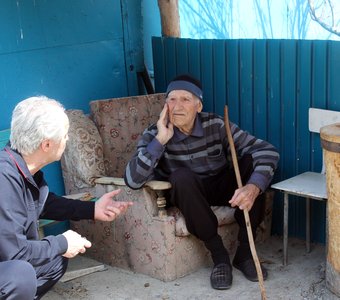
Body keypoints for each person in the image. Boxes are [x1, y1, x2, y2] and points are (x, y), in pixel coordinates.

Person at [124, 74, 279, 290]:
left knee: (255, 168)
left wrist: (253, 187)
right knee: (181, 176)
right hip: (188, 193)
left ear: (198, 106)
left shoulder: (215, 124)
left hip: (219, 184)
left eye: (185, 99)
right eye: (171, 99)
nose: (177, 106)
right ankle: (220, 257)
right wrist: (160, 140)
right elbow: (132, 181)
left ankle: (244, 255)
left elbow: (267, 151)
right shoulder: (155, 133)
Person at [0, 96, 133, 299]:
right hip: (9, 262)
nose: (67, 139)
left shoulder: (23, 165)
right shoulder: (4, 179)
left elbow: (44, 203)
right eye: (64, 135)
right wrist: (61, 242)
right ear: (46, 145)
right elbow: (14, 253)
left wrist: (92, 209)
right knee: (21, 275)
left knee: (55, 260)